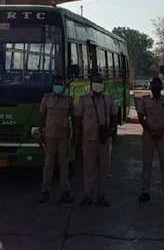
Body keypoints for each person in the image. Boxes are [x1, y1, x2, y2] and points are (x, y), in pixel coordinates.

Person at [75, 74, 118, 207]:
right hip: (88, 139)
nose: (98, 84)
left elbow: (114, 116)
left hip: (104, 140)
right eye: (96, 82)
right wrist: (77, 136)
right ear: (91, 84)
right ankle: (88, 195)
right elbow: (77, 118)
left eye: (100, 82)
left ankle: (102, 196)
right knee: (89, 168)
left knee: (104, 169)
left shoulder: (108, 100)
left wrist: (110, 131)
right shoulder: (84, 99)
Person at [137, 77, 164, 204]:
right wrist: (151, 131)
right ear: (150, 87)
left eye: (157, 85)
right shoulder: (145, 100)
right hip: (148, 136)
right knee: (146, 164)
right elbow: (141, 118)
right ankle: (145, 192)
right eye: (153, 85)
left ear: (161, 86)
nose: (155, 87)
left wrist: (161, 131)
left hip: (163, 136)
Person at [38, 75, 74, 204]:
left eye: (60, 83)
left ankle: (65, 191)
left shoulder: (68, 99)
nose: (58, 86)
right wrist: (41, 132)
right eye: (56, 83)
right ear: (53, 85)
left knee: (64, 165)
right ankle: (45, 191)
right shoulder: (46, 99)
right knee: (48, 165)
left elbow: (73, 117)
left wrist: (74, 135)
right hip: (50, 136)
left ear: (63, 85)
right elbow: (41, 116)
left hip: (64, 136)